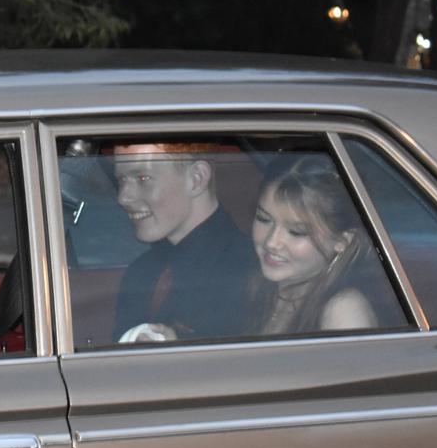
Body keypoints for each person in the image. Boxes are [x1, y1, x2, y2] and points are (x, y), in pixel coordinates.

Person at [112, 142, 257, 342]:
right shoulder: (141, 271)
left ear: (196, 179)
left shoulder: (248, 272)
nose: (123, 197)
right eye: (121, 180)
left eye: (143, 178)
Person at [248, 156, 379, 334]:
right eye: (264, 219)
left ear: (342, 241)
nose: (271, 242)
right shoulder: (260, 288)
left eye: (296, 232)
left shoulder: (343, 312)